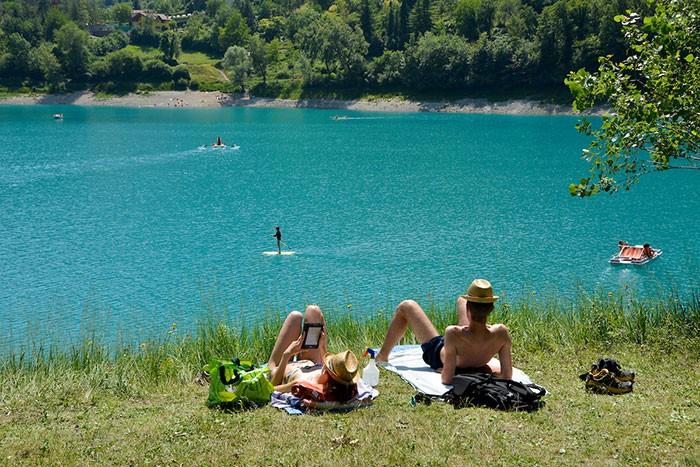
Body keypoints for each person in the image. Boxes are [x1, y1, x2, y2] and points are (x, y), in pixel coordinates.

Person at [376, 279, 513, 384]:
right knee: (461, 300)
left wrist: (447, 371)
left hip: (439, 354)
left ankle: (382, 356)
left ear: (468, 311)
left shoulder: (453, 333)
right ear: (490, 309)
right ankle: (478, 318)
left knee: (406, 306)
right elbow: (507, 376)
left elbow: (446, 379)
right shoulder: (502, 332)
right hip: (476, 358)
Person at [267, 305, 359, 402]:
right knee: (313, 311)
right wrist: (322, 346)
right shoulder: (338, 376)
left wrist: (287, 354)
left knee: (295, 317)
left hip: (279, 367)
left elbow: (273, 388)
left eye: (328, 364)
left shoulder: (303, 383)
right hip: (310, 361)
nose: (326, 365)